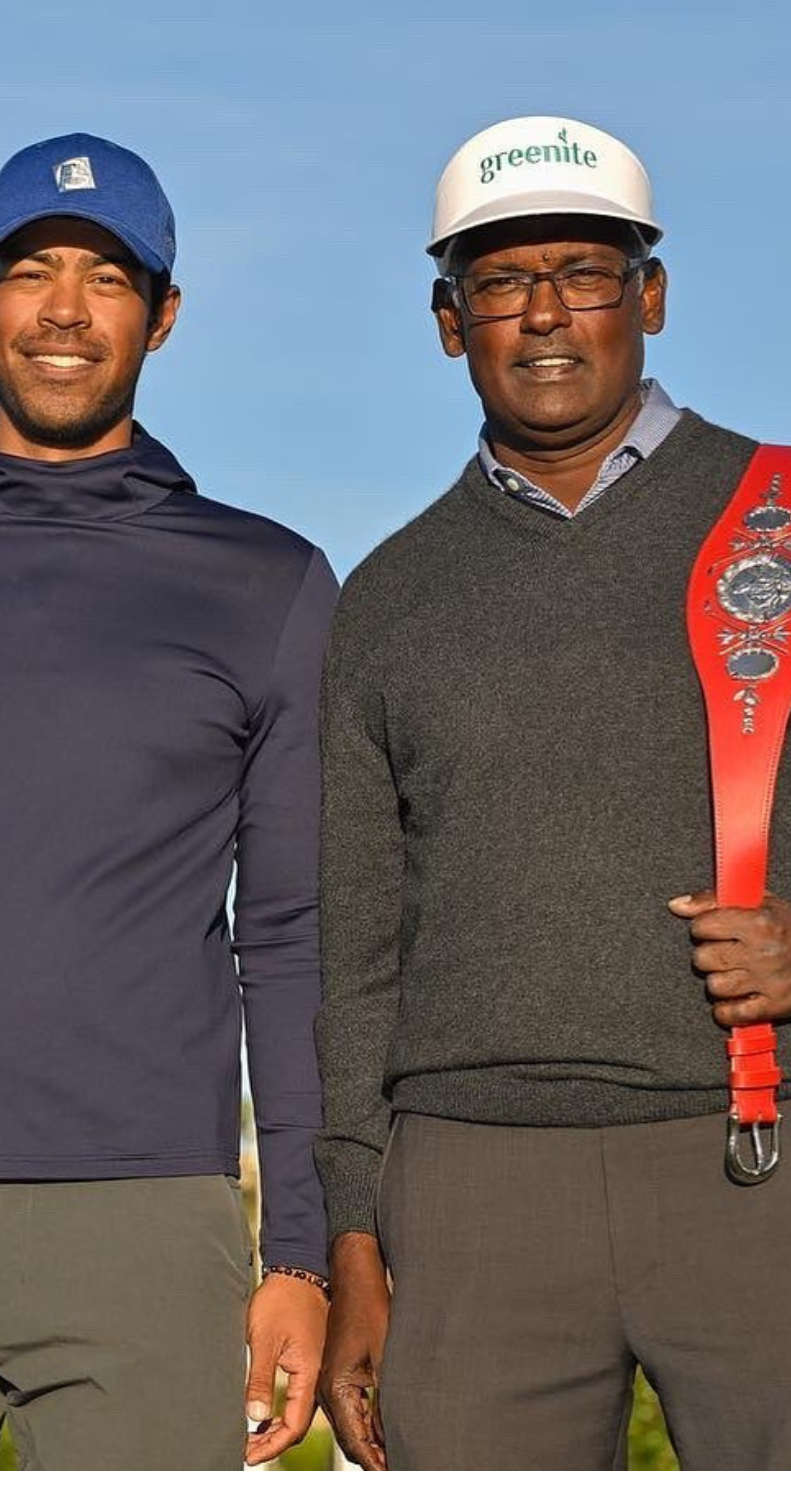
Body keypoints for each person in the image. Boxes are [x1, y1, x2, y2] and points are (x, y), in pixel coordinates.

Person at [0, 132, 336, 1471]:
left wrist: (304, 1251)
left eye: (107, 277)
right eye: (31, 270)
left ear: (164, 314)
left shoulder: (266, 584)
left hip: (146, 1214)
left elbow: (293, 939)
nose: (65, 307)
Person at [314, 115, 791, 1471]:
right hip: (469, 1193)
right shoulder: (388, 596)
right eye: (499, 282)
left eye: (582, 273)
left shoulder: (780, 515)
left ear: (650, 295)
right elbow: (355, 953)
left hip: (755, 1153)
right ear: (445, 320)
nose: (542, 316)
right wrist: (357, 1238)